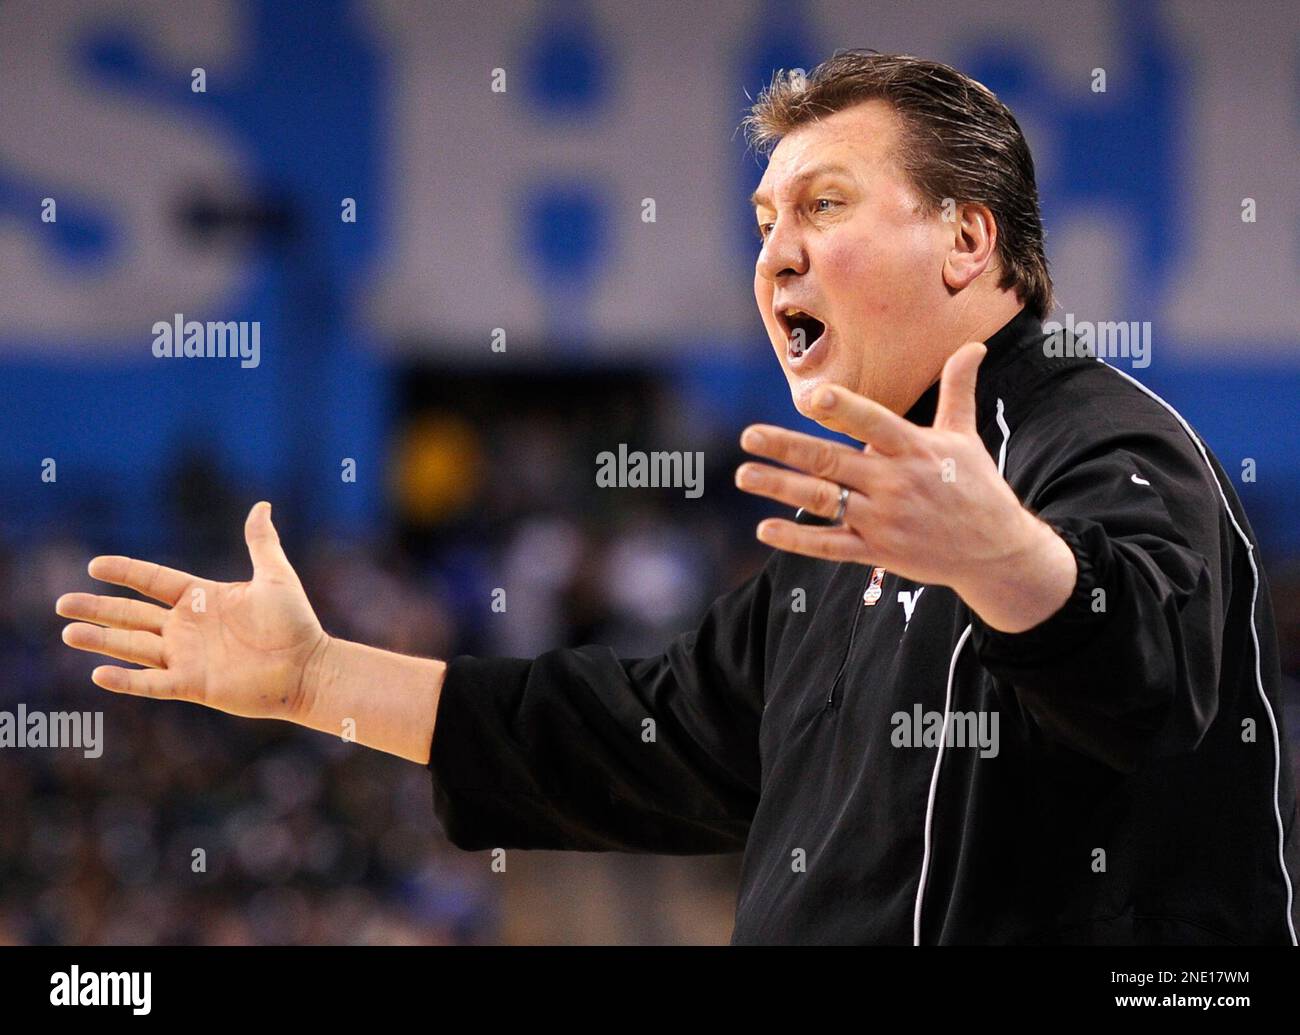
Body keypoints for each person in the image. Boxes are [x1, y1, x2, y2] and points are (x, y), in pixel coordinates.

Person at [56, 50, 1298, 945]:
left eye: (823, 205)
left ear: (967, 241)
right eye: (764, 221)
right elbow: (643, 730)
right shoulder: (844, 529)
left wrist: (1004, 562)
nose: (775, 256)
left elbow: (1152, 685)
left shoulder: (1110, 441)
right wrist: (316, 683)